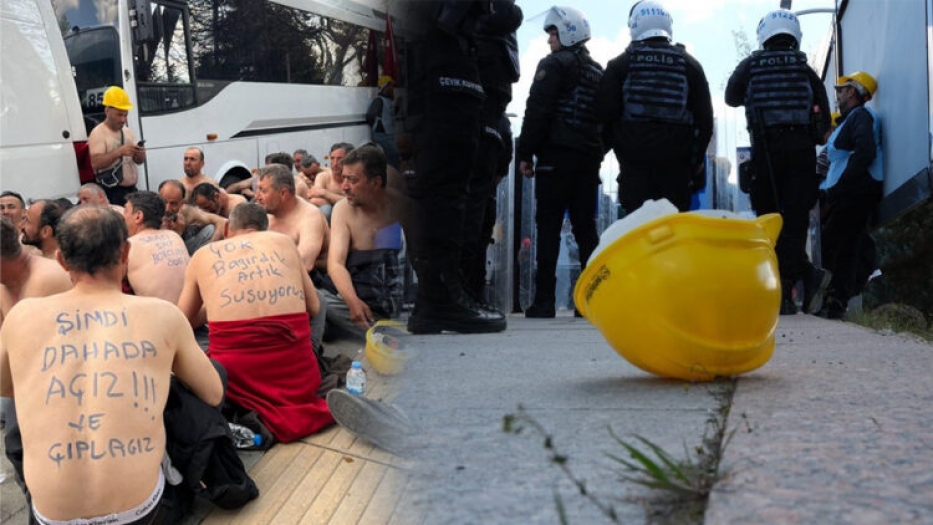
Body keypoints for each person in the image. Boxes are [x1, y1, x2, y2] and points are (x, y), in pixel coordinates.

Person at [0, 205, 223, 524]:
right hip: (141, 513)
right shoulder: (162, 314)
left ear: (61, 260)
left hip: (52, 517)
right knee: (203, 380)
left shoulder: (21, 316)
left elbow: (8, 387)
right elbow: (213, 394)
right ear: (126, 252)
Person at [177, 202, 333, 443]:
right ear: (265, 229)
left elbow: (182, 321)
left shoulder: (203, 255)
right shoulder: (283, 243)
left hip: (237, 381)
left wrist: (216, 304)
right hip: (299, 375)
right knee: (320, 298)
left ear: (227, 228)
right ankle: (312, 356)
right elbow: (313, 307)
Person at [402, 0, 507, 334]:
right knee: (444, 187)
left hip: (452, 57)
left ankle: (440, 296)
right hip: (443, 56)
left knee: (450, 185)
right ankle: (439, 298)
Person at [725, 8, 832, 316]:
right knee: (796, 220)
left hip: (766, 148)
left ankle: (783, 292)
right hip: (800, 150)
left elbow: (731, 97)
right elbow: (823, 123)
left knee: (770, 220)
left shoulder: (751, 64)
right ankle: (797, 280)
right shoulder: (805, 68)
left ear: (764, 35)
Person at [517, 6, 603, 319]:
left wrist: (526, 152)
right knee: (585, 228)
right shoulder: (599, 71)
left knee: (549, 226)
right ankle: (590, 300)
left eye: (553, 33)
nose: (549, 39)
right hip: (587, 160)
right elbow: (605, 120)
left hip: (555, 157)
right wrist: (596, 152)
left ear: (567, 33)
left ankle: (543, 302)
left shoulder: (553, 65)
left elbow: (537, 109)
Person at [598, 0, 713, 214]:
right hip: (677, 171)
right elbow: (704, 122)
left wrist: (612, 150)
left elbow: (605, 115)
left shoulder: (620, 65)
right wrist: (695, 160)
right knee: (674, 230)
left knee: (637, 232)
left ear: (634, 26)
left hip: (634, 168)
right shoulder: (690, 65)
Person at [460, 0, 522, 303]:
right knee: (471, 217)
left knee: (474, 219)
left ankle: (468, 292)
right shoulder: (485, 21)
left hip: (480, 111)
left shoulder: (491, 21)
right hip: (477, 109)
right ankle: (465, 292)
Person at [319, 145, 404, 340]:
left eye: (353, 180)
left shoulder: (400, 208)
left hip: (391, 310)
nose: (344, 186)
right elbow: (336, 263)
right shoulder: (343, 209)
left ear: (375, 183)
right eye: (344, 178)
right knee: (311, 297)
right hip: (355, 305)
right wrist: (353, 302)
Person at [819, 71, 883, 320]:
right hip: (848, 194)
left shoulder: (861, 116)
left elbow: (864, 153)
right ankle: (835, 303)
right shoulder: (851, 119)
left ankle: (834, 302)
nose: (838, 95)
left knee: (833, 247)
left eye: (841, 90)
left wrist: (841, 187)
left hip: (853, 194)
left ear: (853, 92)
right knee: (844, 249)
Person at [123, 191, 190, 302]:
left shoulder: (129, 245)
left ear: (138, 216)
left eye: (126, 210)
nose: (123, 216)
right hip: (191, 314)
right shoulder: (174, 236)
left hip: (161, 316)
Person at [87, 86, 146, 206]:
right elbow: (95, 163)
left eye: (125, 115)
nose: (123, 119)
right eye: (119, 115)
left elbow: (138, 161)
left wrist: (139, 154)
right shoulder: (98, 133)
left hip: (131, 190)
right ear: (107, 111)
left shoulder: (127, 131)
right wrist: (118, 152)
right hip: (112, 191)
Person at [158, 179, 226, 254]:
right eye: (164, 202)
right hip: (161, 253)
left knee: (210, 229)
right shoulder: (151, 214)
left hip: (185, 252)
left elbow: (222, 222)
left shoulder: (187, 212)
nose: (167, 208)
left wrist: (211, 246)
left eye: (173, 204)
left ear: (181, 204)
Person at [309, 142, 353, 221]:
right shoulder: (323, 177)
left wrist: (324, 193)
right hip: (329, 222)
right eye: (332, 158)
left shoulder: (353, 179)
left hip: (352, 218)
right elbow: (314, 200)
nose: (335, 163)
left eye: (340, 159)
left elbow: (353, 203)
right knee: (326, 210)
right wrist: (340, 199)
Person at [366, 76, 401, 169]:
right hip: (382, 134)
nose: (392, 88)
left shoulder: (387, 100)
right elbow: (370, 116)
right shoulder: (379, 100)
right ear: (385, 87)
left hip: (387, 133)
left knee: (391, 157)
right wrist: (377, 127)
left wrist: (397, 106)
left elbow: (389, 115)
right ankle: (393, 176)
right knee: (394, 155)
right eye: (391, 86)